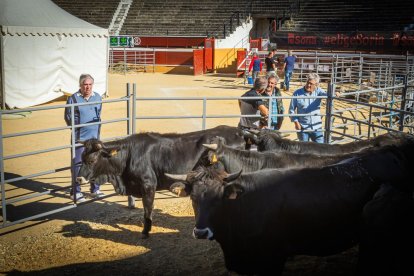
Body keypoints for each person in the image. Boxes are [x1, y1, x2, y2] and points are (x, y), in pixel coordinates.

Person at [64, 74, 104, 202]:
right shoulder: (73, 99)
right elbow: (67, 117)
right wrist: (77, 129)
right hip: (80, 139)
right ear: (80, 85)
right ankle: (75, 192)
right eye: (85, 84)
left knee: (95, 163)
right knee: (77, 165)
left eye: (90, 84)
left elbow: (99, 114)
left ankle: (95, 189)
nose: (87, 87)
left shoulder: (98, 97)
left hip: (94, 139)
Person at [288, 73, 326, 143]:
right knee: (304, 151)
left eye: (311, 84)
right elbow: (291, 110)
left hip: (316, 127)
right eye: (308, 82)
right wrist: (296, 122)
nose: (308, 85)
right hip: (303, 127)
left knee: (321, 148)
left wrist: (335, 94)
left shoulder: (319, 91)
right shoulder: (297, 93)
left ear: (316, 85)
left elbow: (327, 94)